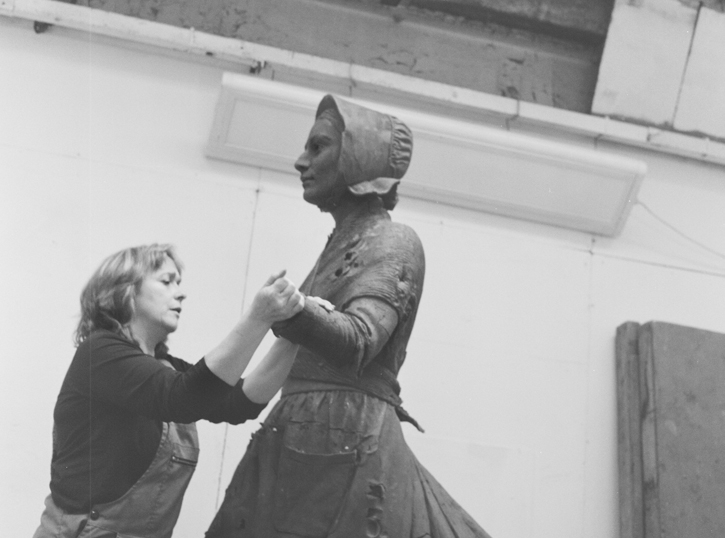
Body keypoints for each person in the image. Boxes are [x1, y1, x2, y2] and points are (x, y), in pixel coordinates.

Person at [207, 95, 492, 537]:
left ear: (360, 159)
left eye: (318, 147)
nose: (301, 161)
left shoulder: (393, 239)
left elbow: (360, 339)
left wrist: (294, 309)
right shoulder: (343, 242)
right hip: (310, 433)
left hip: (343, 437)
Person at [33, 243, 305, 538]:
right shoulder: (99, 354)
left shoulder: (166, 368)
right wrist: (258, 318)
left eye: (179, 282)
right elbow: (183, 398)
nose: (180, 292)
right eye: (166, 281)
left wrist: (295, 338)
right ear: (125, 291)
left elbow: (240, 403)